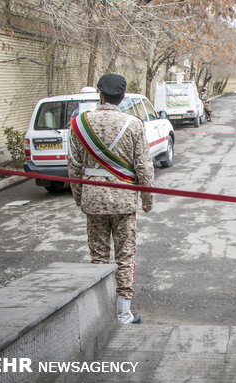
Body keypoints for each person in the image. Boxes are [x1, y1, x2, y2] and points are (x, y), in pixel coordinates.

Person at [68, 73, 154, 325]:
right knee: (125, 257)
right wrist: (147, 199)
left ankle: (100, 313)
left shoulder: (79, 124)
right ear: (123, 96)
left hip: (93, 201)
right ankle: (123, 314)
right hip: (124, 201)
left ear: (100, 94)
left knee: (98, 257)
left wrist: (79, 198)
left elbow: (73, 166)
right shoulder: (133, 124)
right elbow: (144, 167)